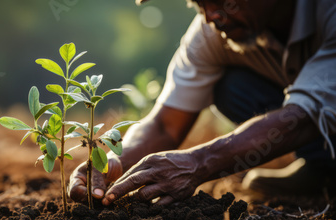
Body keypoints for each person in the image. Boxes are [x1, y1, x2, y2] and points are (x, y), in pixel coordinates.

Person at [68, 0, 336, 206]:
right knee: (232, 87)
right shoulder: (212, 33)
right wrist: (115, 161)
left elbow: (304, 117)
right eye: (198, 3)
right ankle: (324, 168)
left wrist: (198, 162)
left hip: (307, 117)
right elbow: (164, 125)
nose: (211, 16)